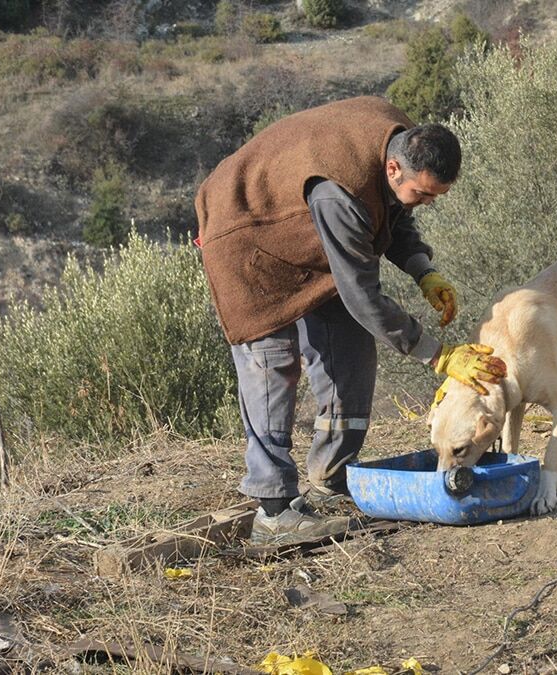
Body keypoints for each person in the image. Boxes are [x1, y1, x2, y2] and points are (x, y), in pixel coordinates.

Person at [195, 96, 506, 543]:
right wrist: (438, 356)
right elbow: (361, 294)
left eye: (435, 196)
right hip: (246, 238)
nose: (425, 204)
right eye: (423, 194)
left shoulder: (401, 139)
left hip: (309, 240)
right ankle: (274, 510)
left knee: (351, 357)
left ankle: (328, 484)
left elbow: (392, 213)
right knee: (272, 368)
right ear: (395, 169)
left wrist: (424, 269)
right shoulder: (338, 191)